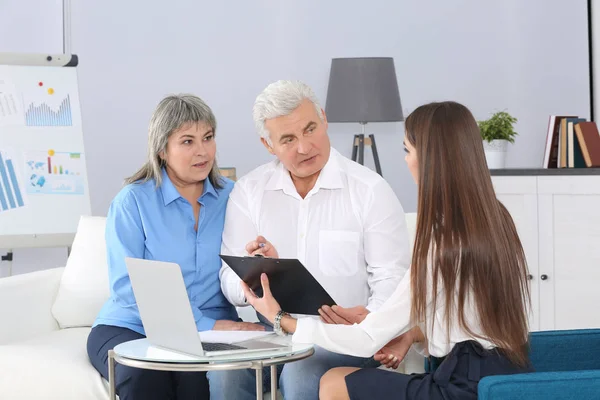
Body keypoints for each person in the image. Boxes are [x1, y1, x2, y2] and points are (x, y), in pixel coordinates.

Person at [242, 101, 533, 400]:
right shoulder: (495, 218)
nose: (406, 161)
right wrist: (402, 332)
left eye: (408, 150)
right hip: (505, 377)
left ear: (431, 158)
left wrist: (281, 319)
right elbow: (466, 321)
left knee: (332, 383)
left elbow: (366, 340)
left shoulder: (444, 238)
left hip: (462, 388)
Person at [208, 80, 411, 400]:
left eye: (310, 129)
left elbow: (393, 282)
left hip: (343, 339)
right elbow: (229, 282)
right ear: (268, 144)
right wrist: (258, 274)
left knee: (301, 373)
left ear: (324, 119)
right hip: (274, 335)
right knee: (224, 376)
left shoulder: (370, 191)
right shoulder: (249, 191)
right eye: (288, 139)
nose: (304, 147)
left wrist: (369, 324)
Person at [86, 94, 263, 400]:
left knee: (198, 383)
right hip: (132, 325)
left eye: (208, 138)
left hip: (213, 329)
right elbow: (128, 288)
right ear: (162, 149)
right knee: (145, 376)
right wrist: (204, 325)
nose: (202, 151)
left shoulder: (234, 197)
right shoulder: (133, 202)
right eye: (187, 141)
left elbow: (247, 268)